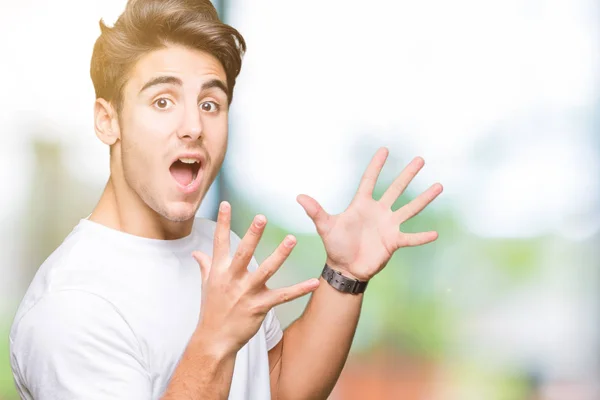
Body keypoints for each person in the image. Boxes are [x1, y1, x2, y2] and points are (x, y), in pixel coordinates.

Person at [9, 0, 443, 399]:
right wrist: (214, 340)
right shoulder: (72, 307)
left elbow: (275, 385)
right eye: (163, 101)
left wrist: (344, 275)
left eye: (211, 104)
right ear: (108, 121)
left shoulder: (218, 248)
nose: (193, 126)